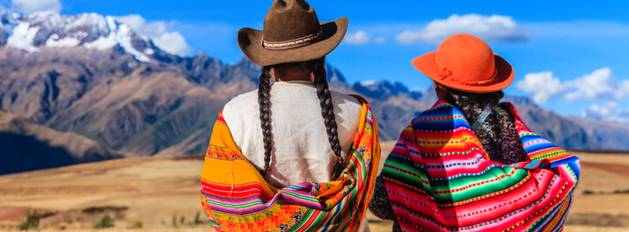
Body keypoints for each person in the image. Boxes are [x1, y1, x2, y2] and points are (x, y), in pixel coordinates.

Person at [198, 0, 383, 231]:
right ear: (321, 57)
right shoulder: (358, 112)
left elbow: (220, 196)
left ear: (269, 64)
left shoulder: (234, 114)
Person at [369, 34, 581, 231]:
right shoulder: (512, 129)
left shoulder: (424, 133)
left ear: (438, 86)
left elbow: (381, 202)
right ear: (493, 86)